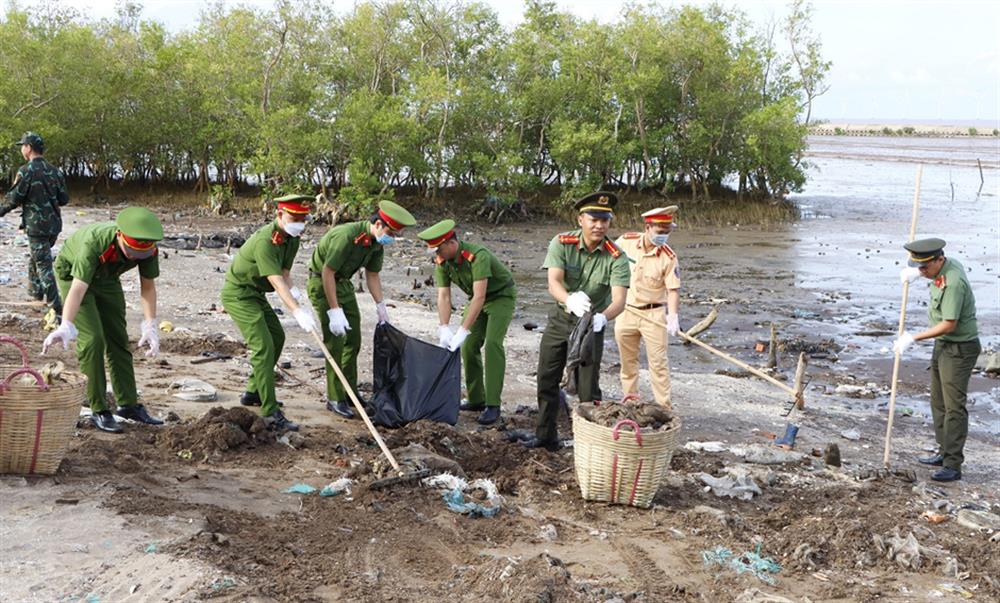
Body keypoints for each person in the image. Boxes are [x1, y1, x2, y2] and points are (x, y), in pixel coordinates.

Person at [522, 192, 630, 450]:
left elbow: (619, 300)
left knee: (588, 389)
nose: (599, 225)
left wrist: (603, 317)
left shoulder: (616, 256)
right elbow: (554, 282)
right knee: (547, 378)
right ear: (580, 219)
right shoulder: (562, 242)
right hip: (561, 319)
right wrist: (568, 300)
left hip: (592, 325)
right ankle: (546, 436)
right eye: (593, 219)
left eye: (605, 220)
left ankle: (591, 444)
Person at [42, 207, 164, 433]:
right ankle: (99, 408)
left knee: (118, 338)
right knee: (93, 340)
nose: (136, 257)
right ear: (120, 236)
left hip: (107, 278)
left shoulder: (148, 248)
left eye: (142, 255)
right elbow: (78, 289)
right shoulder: (94, 243)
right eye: (132, 252)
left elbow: (148, 287)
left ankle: (128, 405)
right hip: (73, 275)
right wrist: (66, 325)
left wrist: (150, 325)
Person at [307, 200, 415, 419]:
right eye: (390, 232)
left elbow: (372, 275)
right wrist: (335, 311)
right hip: (322, 283)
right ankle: (335, 397)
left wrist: (381, 306)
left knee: (353, 340)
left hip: (344, 284)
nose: (391, 238)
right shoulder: (346, 236)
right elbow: (328, 272)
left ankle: (349, 392)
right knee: (335, 341)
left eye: (394, 235)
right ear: (377, 224)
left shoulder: (376, 243)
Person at [222, 194, 319, 432]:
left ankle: (253, 392)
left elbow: (285, 273)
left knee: (277, 337)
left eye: (302, 218)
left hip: (256, 294)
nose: (299, 222)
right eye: (294, 217)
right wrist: (296, 312)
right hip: (239, 294)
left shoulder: (291, 239)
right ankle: (270, 411)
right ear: (279, 214)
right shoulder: (266, 241)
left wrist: (297, 296)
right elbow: (275, 281)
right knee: (263, 347)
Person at [895, 238, 980, 482]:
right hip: (944, 345)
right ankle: (943, 451)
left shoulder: (953, 282)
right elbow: (933, 274)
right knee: (938, 402)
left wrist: (913, 337)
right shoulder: (944, 267)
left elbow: (949, 324)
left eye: (925, 267)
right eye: (918, 267)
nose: (922, 271)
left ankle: (953, 464)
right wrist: (918, 274)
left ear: (939, 260)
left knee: (954, 407)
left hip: (959, 348)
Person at [417, 219, 517, 425]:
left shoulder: (477, 256)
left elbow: (480, 296)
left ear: (451, 243)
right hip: (477, 299)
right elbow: (444, 296)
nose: (437, 255)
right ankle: (476, 398)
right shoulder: (443, 262)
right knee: (469, 346)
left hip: (501, 297)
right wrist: (444, 326)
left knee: (492, 344)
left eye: (439, 250)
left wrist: (462, 330)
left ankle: (493, 404)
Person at [613, 206, 681, 408]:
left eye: (667, 232)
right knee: (628, 362)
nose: (664, 237)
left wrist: (673, 316)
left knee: (658, 364)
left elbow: (673, 290)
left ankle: (663, 407)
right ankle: (630, 400)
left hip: (654, 314)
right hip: (626, 311)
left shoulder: (669, 257)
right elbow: (608, 261)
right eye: (660, 232)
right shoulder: (626, 242)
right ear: (647, 227)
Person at [1, 132, 70, 315]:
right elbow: (64, 199)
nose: (22, 149)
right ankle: (36, 296)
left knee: (43, 265)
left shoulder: (26, 171)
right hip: (53, 227)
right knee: (37, 258)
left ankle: (58, 308)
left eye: (23, 146)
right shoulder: (55, 171)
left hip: (36, 227)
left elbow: (13, 199)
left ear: (29, 148)